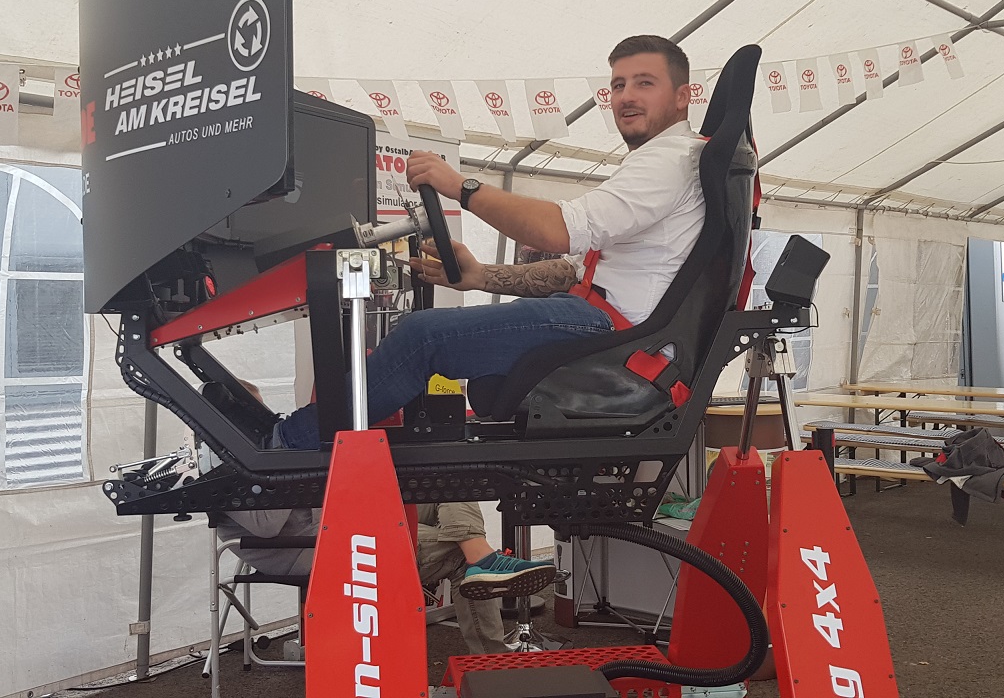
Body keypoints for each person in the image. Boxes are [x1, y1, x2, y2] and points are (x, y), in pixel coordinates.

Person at [268, 34, 704, 451]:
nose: (626, 96)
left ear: (682, 96)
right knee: (430, 338)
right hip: (608, 321)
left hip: (616, 333)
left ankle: (287, 443)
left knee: (422, 337)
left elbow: (559, 229)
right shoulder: (665, 162)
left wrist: (462, 187)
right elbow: (573, 268)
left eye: (644, 83)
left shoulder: (668, 160)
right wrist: (481, 276)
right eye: (618, 85)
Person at [209, 381, 550, 654]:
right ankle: (490, 653)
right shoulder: (221, 469)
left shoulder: (259, 453)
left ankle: (481, 556)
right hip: (316, 546)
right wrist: (290, 461)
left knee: (446, 485)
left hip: (341, 519)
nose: (267, 423)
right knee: (459, 554)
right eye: (256, 416)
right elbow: (267, 526)